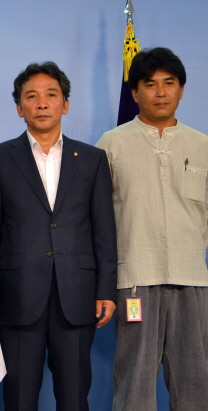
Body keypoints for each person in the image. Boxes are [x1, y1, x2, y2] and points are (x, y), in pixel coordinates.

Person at [0, 62, 117, 411]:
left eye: (51, 95)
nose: (42, 103)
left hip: (77, 294)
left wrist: (105, 289)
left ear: (65, 105)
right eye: (31, 96)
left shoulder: (92, 159)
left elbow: (104, 230)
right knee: (19, 397)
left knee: (74, 397)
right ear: (19, 108)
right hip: (17, 296)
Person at [96, 47, 208, 411]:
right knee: (135, 385)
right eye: (150, 84)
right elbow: (95, 219)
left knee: (195, 384)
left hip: (192, 280)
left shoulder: (203, 146)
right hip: (135, 280)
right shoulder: (111, 145)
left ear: (181, 90)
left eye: (169, 83)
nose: (160, 92)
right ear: (134, 93)